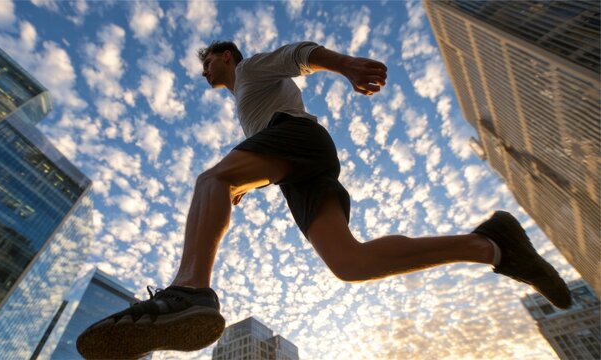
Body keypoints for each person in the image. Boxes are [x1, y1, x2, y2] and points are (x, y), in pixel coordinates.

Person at [76, 41, 572, 359]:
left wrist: (345, 66)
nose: (204, 71)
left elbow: (299, 53)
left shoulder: (250, 70)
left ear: (225, 56)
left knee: (211, 179)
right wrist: (246, 179)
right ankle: (490, 245)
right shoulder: (246, 96)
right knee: (349, 263)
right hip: (300, 164)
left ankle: (188, 292)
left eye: (206, 61)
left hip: (295, 141)